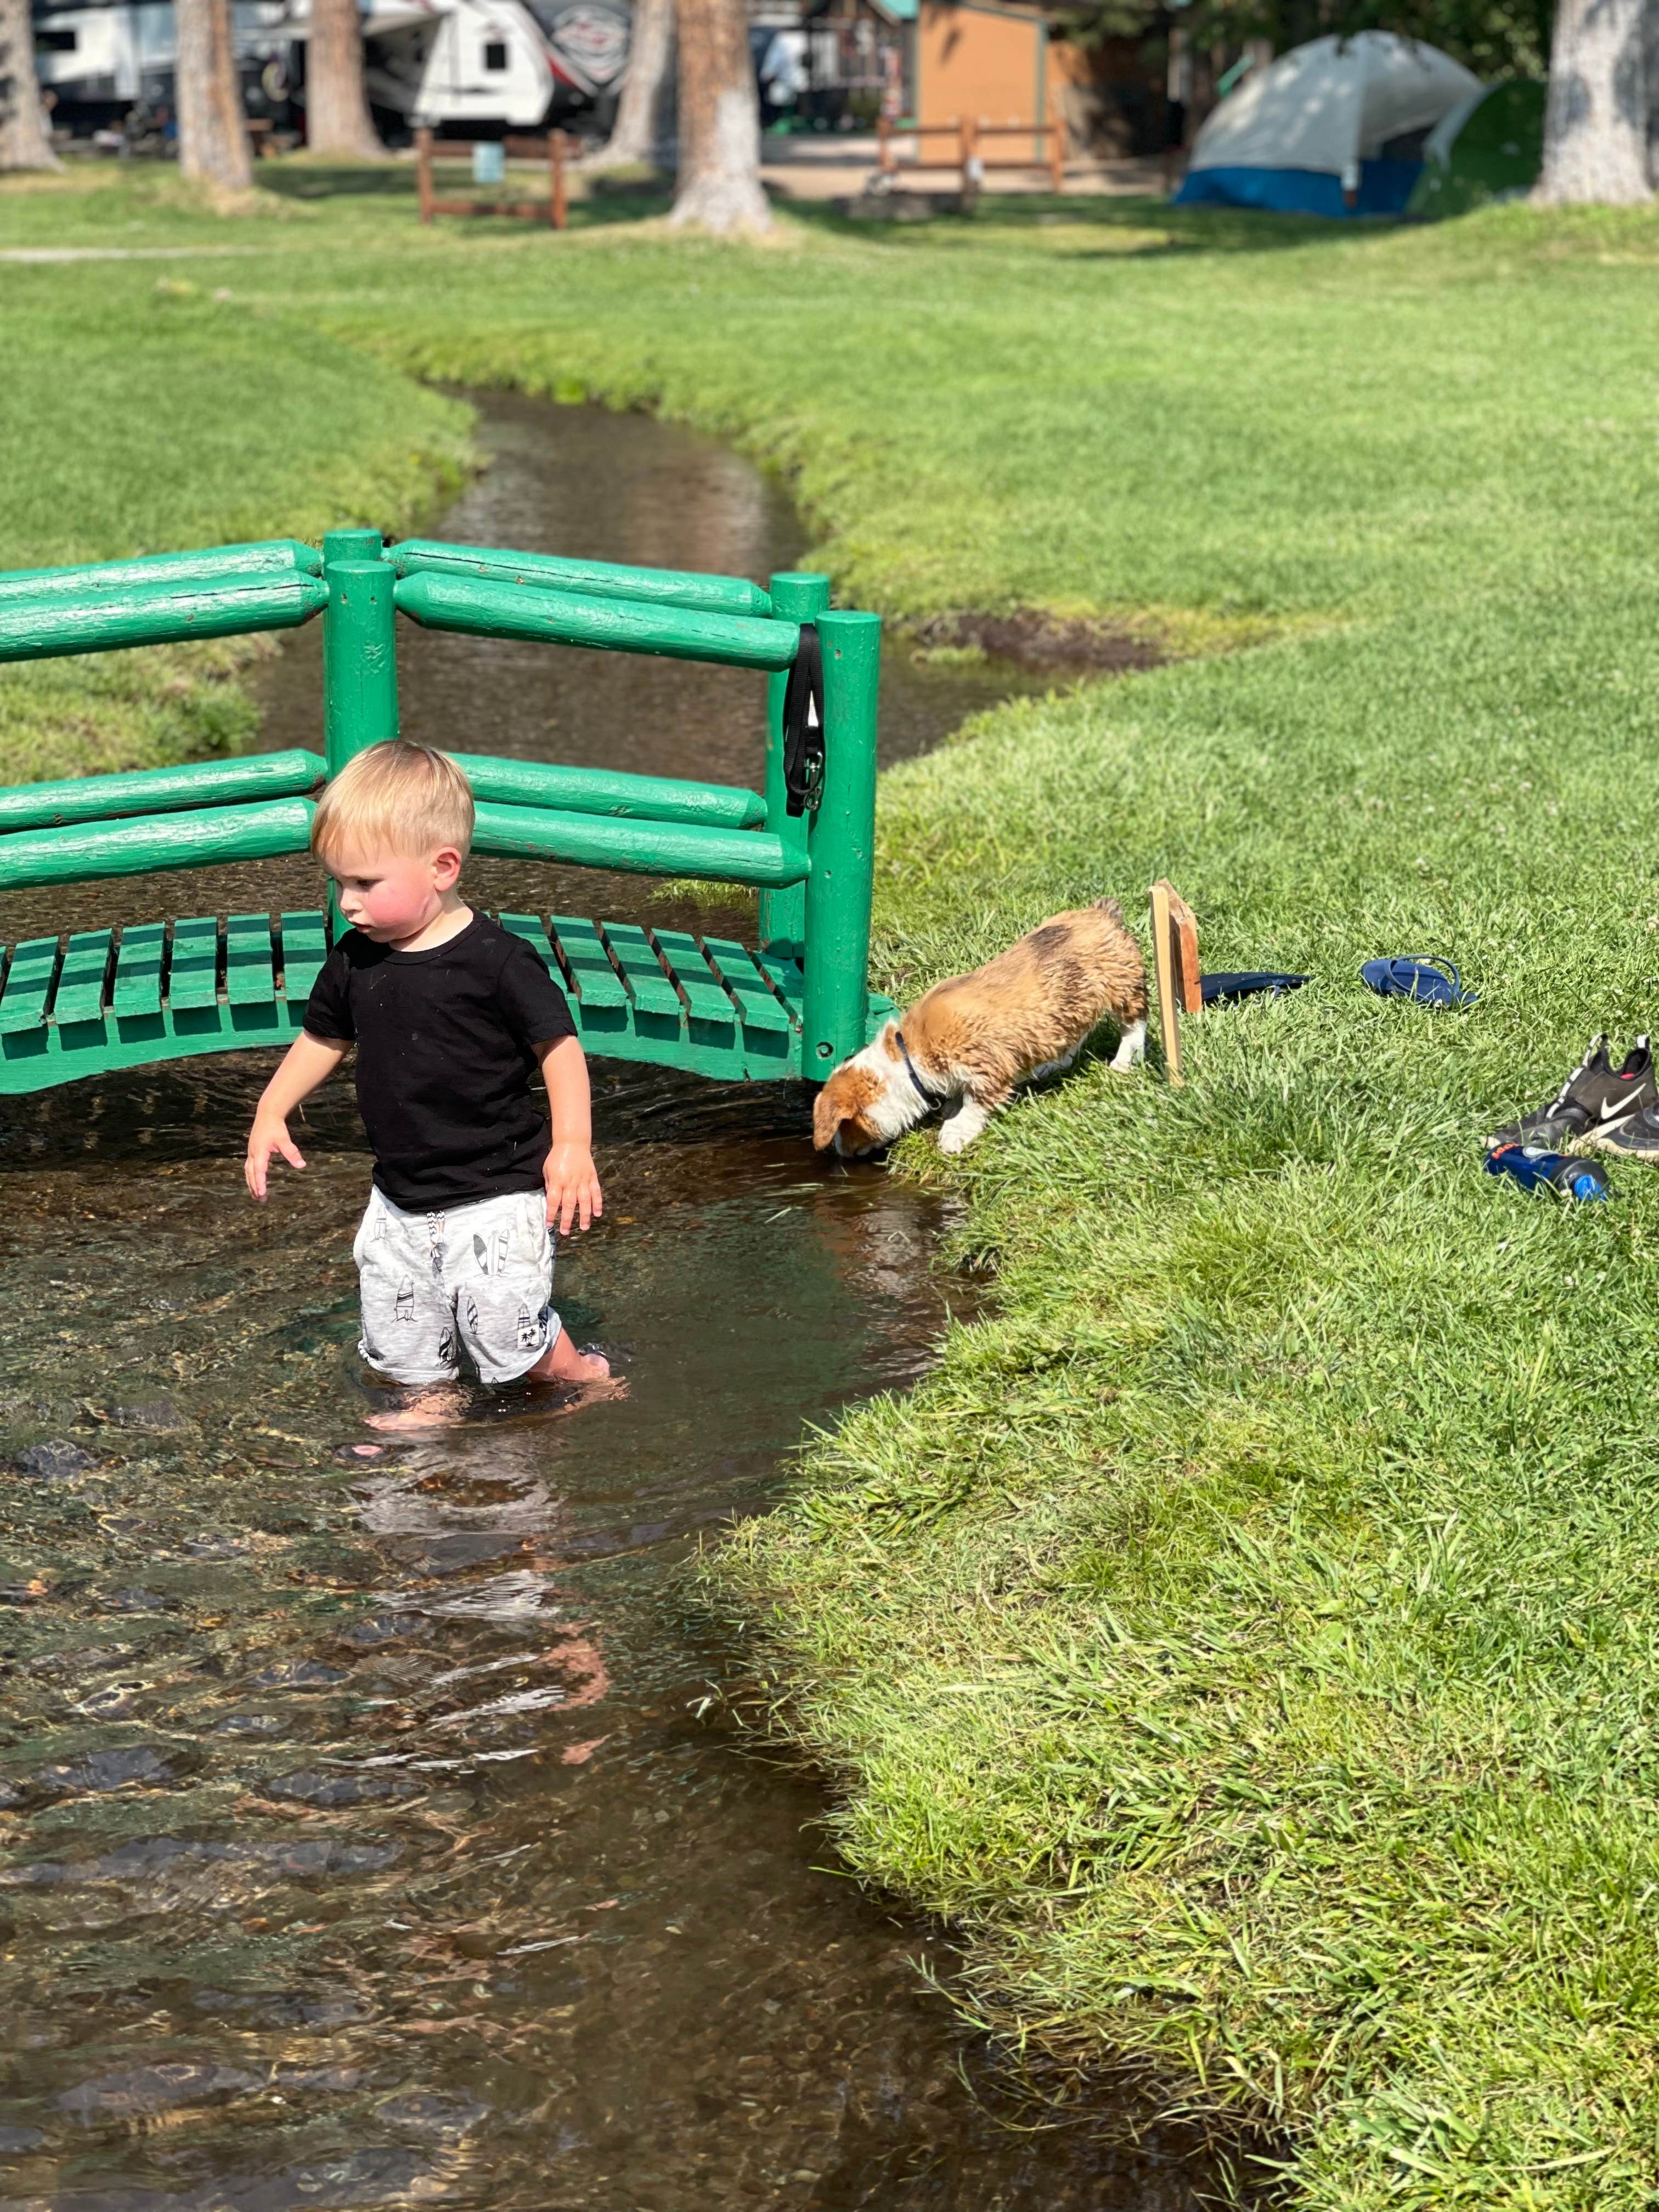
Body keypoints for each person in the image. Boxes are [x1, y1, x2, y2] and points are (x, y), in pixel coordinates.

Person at [244, 741, 611, 1429]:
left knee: (507, 1335)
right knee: (401, 1329)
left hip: (499, 1189)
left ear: (443, 867)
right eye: (338, 884)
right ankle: (430, 1404)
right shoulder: (356, 959)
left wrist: (572, 1146)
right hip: (400, 1194)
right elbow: (323, 1037)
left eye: (364, 883)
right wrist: (271, 1109)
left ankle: (581, 1375)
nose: (347, 903)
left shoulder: (498, 963)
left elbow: (559, 1048)